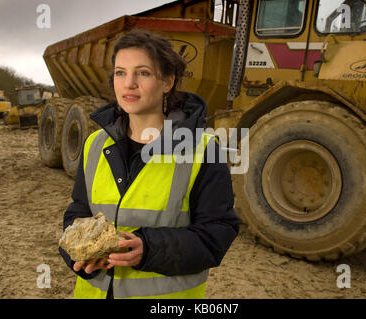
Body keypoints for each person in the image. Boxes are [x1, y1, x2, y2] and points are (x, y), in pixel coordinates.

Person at [59, 29, 240, 299]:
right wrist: (77, 254)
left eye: (142, 73)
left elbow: (217, 234)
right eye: (120, 73)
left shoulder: (204, 150)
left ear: (167, 82)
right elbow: (78, 211)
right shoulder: (95, 144)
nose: (129, 83)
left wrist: (149, 249)